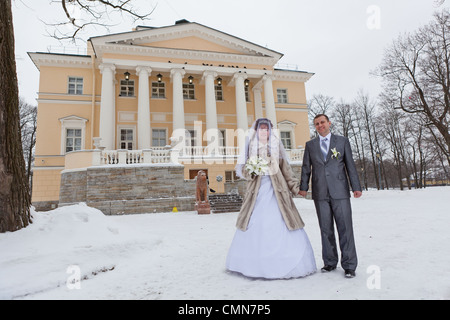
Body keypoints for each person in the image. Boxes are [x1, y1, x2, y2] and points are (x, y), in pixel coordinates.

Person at [226, 118, 317, 279]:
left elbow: (287, 171)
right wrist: (253, 169)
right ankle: (253, 264)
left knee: (282, 221)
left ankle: (289, 261)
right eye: (261, 129)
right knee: (255, 222)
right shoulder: (250, 148)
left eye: (266, 129)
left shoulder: (277, 148)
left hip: (278, 192)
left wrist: (296, 188)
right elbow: (244, 172)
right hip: (257, 193)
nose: (264, 132)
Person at [299, 114, 362, 278]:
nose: (320, 125)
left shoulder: (342, 141)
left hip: (340, 191)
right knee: (325, 229)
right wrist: (303, 187)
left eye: (322, 122)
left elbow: (350, 166)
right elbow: (306, 168)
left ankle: (349, 265)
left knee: (345, 228)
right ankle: (330, 262)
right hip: (320, 193)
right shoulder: (311, 145)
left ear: (329, 123)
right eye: (317, 124)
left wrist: (356, 186)